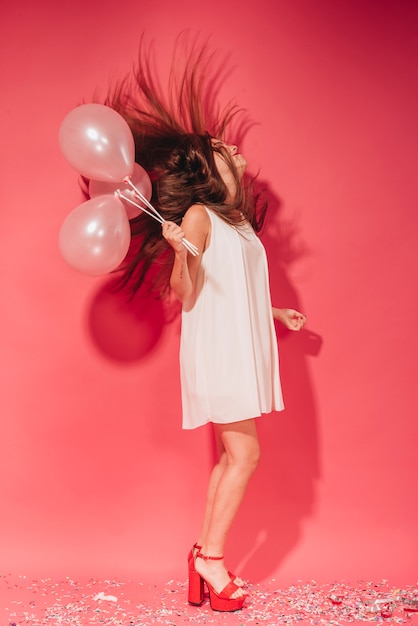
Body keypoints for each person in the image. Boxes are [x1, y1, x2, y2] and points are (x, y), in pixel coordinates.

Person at [104, 38, 306, 612]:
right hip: (219, 351)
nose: (234, 149)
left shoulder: (235, 220)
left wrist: (274, 312)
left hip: (241, 341)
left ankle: (201, 558)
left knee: (230, 457)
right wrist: (180, 253)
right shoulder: (196, 216)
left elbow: (234, 289)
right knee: (246, 457)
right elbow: (185, 292)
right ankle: (212, 562)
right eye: (223, 147)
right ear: (210, 167)